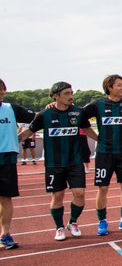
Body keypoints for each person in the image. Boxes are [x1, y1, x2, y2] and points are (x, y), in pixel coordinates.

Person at [19, 82, 97, 241]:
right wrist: (11, 141)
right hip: (54, 164)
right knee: (58, 196)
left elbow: (88, 129)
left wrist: (101, 140)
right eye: (67, 93)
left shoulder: (78, 113)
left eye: (72, 93)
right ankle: (59, 227)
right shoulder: (45, 114)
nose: (71, 96)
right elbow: (28, 132)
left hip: (75, 162)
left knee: (80, 194)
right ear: (55, 96)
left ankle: (72, 222)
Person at [82, 74, 122, 236]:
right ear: (109, 87)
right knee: (103, 188)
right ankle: (102, 221)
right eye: (119, 85)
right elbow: (79, 118)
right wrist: (96, 137)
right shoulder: (97, 105)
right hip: (104, 153)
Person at [0, 78, 36, 249]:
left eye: (3, 89)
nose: (2, 92)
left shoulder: (11, 109)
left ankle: (5, 235)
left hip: (6, 158)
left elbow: (38, 118)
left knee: (5, 198)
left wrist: (24, 135)